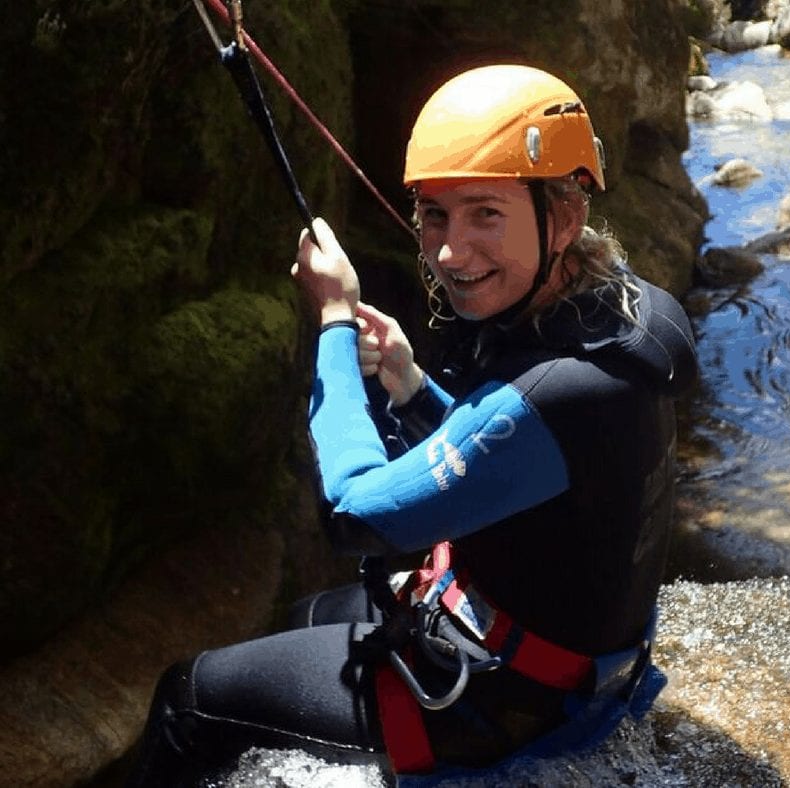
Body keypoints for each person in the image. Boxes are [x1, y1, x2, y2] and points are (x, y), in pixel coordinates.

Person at [127, 63, 697, 786]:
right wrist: (408, 382)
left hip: (501, 699)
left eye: (486, 213)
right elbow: (521, 460)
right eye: (434, 214)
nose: (451, 253)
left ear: (565, 216)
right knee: (306, 615)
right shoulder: (617, 313)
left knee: (188, 698)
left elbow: (354, 511)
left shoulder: (561, 390)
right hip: (556, 653)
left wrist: (334, 322)